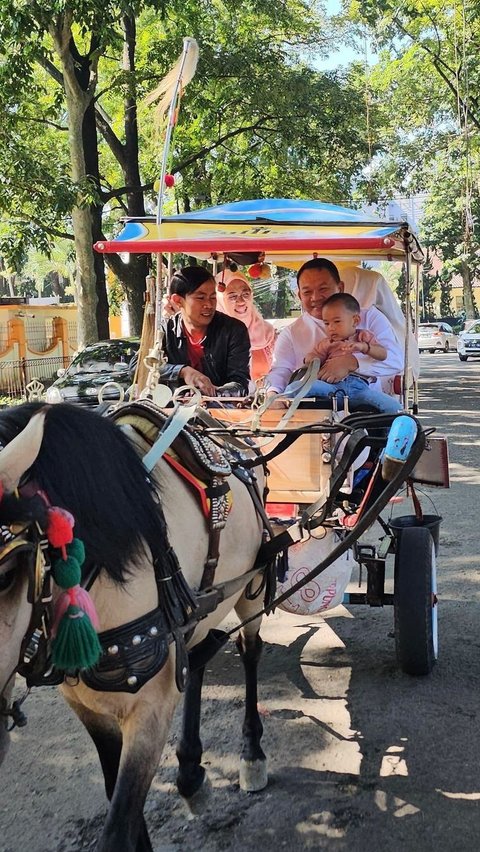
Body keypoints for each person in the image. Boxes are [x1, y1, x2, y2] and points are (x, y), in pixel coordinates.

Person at [266, 258, 404, 403]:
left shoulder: (368, 316)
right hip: (314, 411)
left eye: (323, 289)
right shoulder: (291, 333)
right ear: (299, 295)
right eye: (307, 292)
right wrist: (272, 395)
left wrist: (352, 362)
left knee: (395, 412)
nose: (315, 297)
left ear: (340, 288)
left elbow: (395, 360)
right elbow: (280, 369)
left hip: (366, 409)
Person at [284, 292, 402, 413]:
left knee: (394, 407)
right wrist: (311, 359)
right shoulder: (327, 343)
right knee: (296, 387)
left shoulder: (364, 336)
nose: (331, 327)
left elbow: (383, 354)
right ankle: (281, 407)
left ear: (355, 321)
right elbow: (315, 357)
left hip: (360, 389)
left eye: (337, 321)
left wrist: (364, 347)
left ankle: (388, 431)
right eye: (327, 323)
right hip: (332, 388)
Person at [158, 266, 251, 397]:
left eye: (213, 297)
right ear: (178, 300)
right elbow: (138, 367)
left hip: (223, 411)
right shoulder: (165, 329)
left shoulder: (234, 330)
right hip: (173, 409)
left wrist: (211, 394)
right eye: (200, 298)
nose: (209, 304)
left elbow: (240, 382)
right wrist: (182, 371)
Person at [215, 268, 276, 381]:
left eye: (246, 294)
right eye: (233, 296)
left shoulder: (268, 333)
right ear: (220, 300)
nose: (241, 301)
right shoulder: (213, 336)